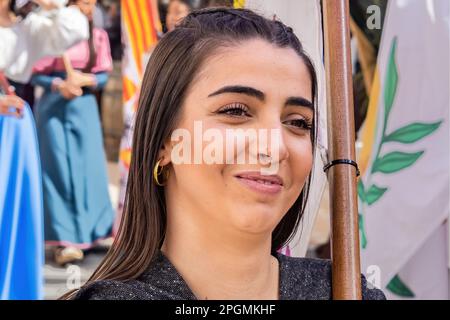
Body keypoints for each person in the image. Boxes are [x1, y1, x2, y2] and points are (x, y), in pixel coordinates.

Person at [70, 7, 386, 300]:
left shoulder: (349, 293)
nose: (274, 148)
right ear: (164, 142)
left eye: (297, 122)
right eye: (236, 111)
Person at [0, 0, 89, 299]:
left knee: (10, 210)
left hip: (13, 121)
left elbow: (76, 30)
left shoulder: (30, 25)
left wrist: (50, 4)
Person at [31, 0, 114, 266]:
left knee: (89, 170)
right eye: (82, 2)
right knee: (58, 173)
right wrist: (59, 84)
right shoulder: (50, 36)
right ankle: (63, 240)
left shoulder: (97, 36)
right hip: (54, 109)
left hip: (85, 107)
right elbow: (33, 73)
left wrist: (84, 79)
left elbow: (103, 74)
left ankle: (92, 233)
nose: (87, 8)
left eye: (91, 3)